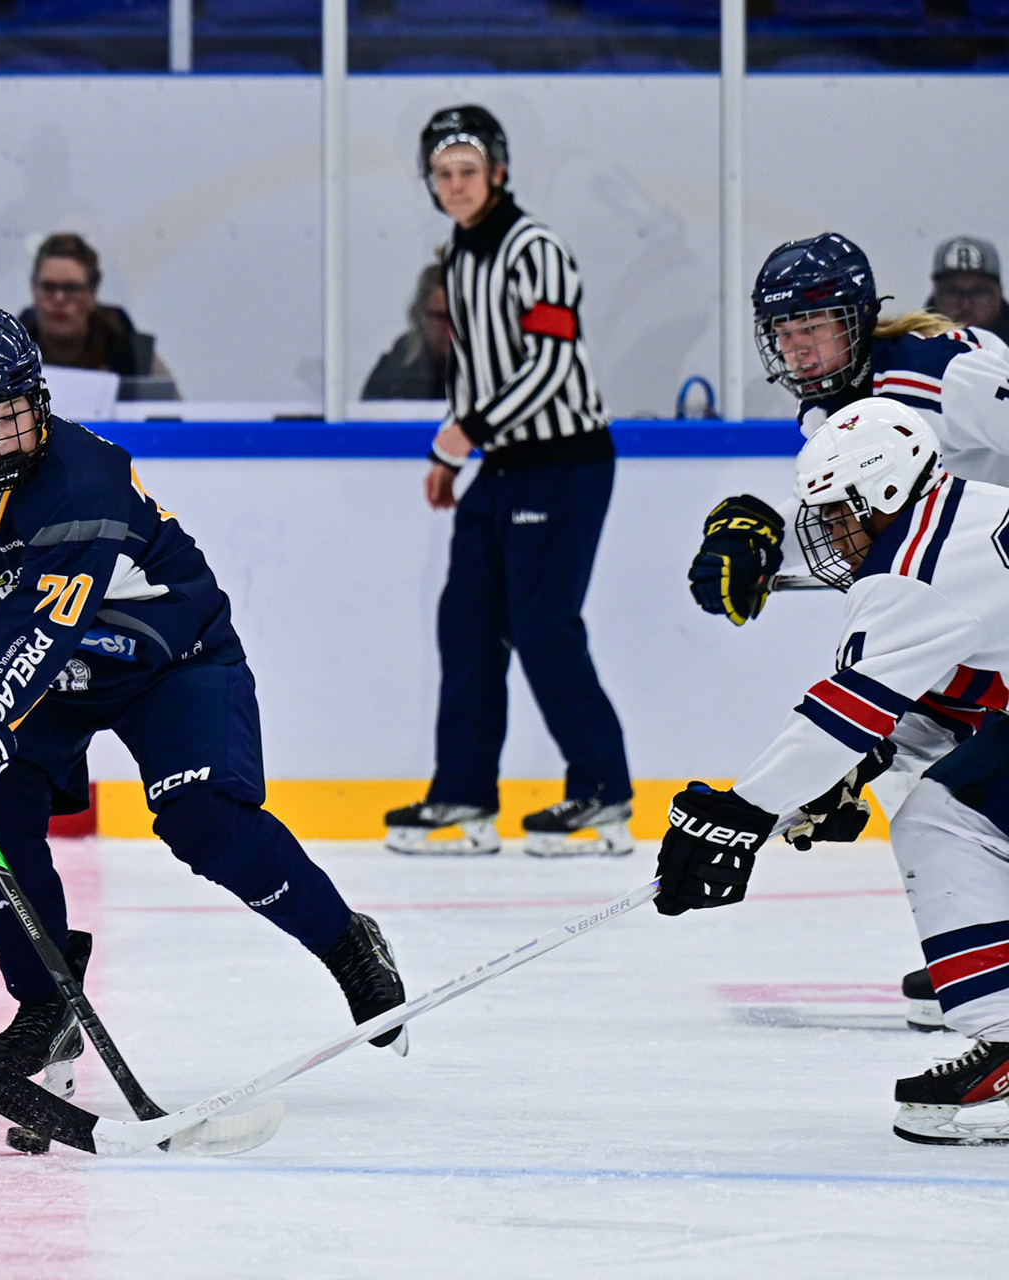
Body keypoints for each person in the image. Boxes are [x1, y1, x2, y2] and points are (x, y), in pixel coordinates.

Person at [0, 310, 406, 1104]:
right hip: (50, 670)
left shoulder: (85, 479)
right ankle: (46, 1006)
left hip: (169, 657)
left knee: (204, 821)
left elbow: (37, 630)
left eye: (11, 413)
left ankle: (345, 942)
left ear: (39, 401)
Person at [655, 398, 1009, 1145]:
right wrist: (841, 777)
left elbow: (843, 716)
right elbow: (963, 699)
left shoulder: (915, 570)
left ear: (885, 493)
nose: (826, 535)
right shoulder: (966, 509)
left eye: (838, 514)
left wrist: (741, 815)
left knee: (946, 819)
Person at [686, 232, 1009, 1033]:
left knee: (934, 779)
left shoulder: (948, 370)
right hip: (974, 623)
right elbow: (866, 519)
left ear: (859, 318)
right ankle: (989, 950)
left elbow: (907, 524)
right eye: (783, 332)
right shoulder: (836, 408)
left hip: (979, 602)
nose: (798, 348)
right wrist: (767, 530)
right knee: (917, 760)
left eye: (814, 327)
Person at [383, 104, 633, 859]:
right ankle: (464, 795)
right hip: (500, 465)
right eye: (442, 173)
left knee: (543, 626)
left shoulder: (536, 249)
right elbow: (473, 370)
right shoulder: (459, 257)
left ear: (497, 172)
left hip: (564, 462)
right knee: (465, 623)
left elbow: (553, 362)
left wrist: (466, 433)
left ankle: (603, 794)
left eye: (468, 170)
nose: (456, 184)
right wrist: (449, 455)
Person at [18, 232, 177, 393]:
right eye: (48, 287)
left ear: (92, 293)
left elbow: (172, 406)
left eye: (71, 288)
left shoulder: (135, 357)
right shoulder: (10, 355)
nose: (59, 299)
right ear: (33, 290)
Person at [360, 263, 451, 401]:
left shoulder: (484, 369)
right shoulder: (395, 374)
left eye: (461, 317)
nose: (451, 327)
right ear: (421, 315)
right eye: (441, 317)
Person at [925, 235, 1009, 346]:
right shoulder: (907, 351)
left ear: (999, 294)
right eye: (953, 292)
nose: (965, 304)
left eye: (978, 293)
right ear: (936, 294)